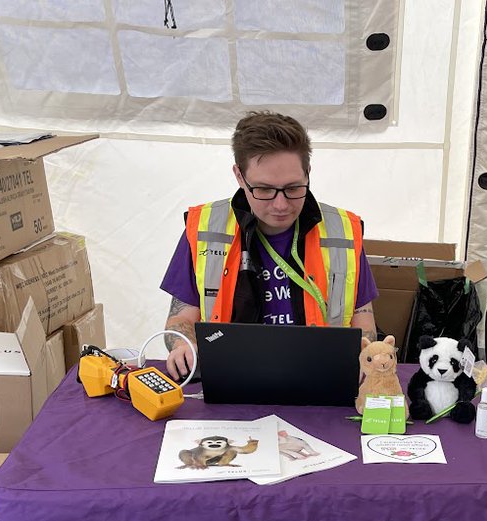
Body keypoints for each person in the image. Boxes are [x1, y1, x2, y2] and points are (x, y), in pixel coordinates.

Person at [161, 111, 379, 380]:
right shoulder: (205, 228)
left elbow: (363, 318)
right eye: (264, 189)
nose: (281, 204)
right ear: (239, 176)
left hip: (321, 377)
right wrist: (182, 345)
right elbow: (182, 317)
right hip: (230, 377)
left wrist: (364, 356)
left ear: (308, 173)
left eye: (293, 188)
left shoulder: (342, 231)